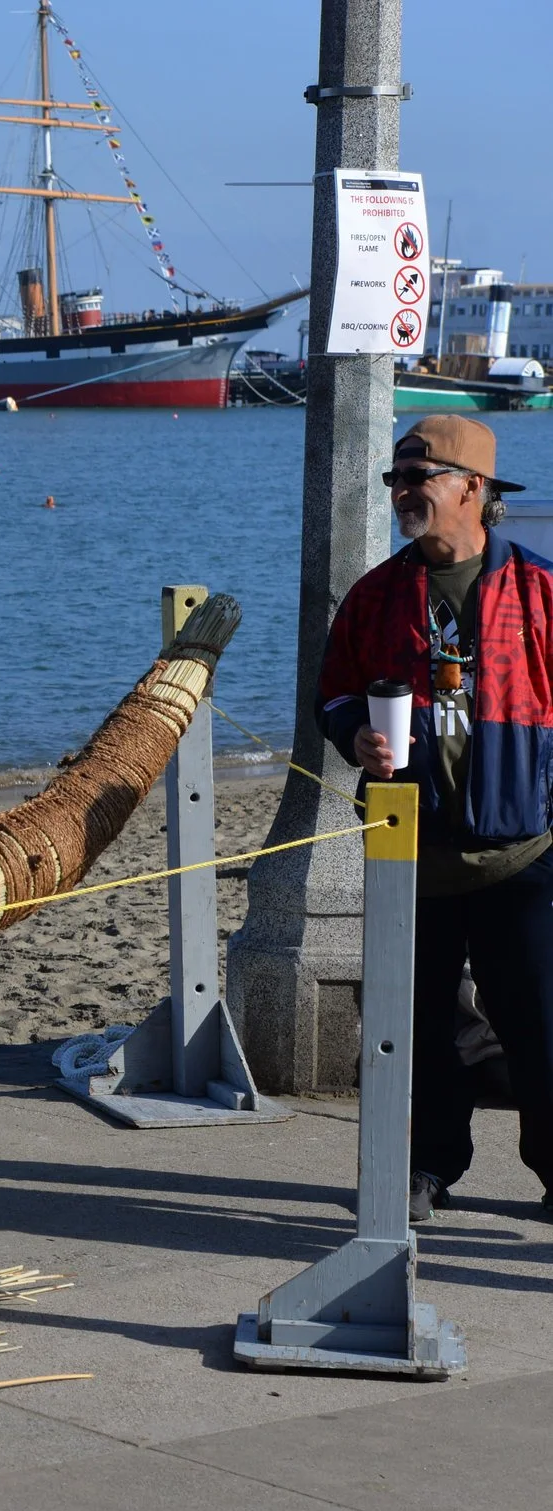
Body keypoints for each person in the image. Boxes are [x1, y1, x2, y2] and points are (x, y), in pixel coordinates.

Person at [318, 413, 553, 1221]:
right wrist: (354, 732)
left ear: (473, 488)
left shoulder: (539, 590)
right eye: (395, 480)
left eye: (418, 479)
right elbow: (335, 691)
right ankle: (425, 1169)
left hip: (524, 853)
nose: (402, 494)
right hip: (408, 854)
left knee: (540, 1024)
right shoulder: (376, 596)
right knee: (417, 1032)